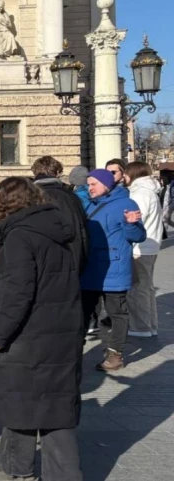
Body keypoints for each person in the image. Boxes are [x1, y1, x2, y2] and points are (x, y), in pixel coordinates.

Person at [0, 177, 83, 481]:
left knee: (20, 400)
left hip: (29, 334)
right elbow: (44, 277)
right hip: (62, 328)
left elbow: (19, 295)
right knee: (54, 404)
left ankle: (20, 468)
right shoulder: (55, 230)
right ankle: (42, 469)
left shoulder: (19, 237)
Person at [81, 169, 145, 372]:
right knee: (82, 312)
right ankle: (74, 352)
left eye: (94, 184)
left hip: (113, 268)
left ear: (107, 184)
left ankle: (115, 354)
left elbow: (138, 236)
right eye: (88, 184)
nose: (90, 188)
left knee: (116, 313)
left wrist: (131, 224)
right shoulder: (90, 204)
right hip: (90, 268)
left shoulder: (126, 204)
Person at [124, 162, 163, 338]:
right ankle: (150, 325)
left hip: (140, 247)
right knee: (146, 288)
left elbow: (136, 219)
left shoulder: (140, 193)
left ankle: (140, 327)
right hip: (150, 246)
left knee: (138, 289)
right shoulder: (150, 191)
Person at [32, 156, 89, 273]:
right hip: (65, 264)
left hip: (33, 263)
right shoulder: (69, 196)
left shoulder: (25, 195)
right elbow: (80, 231)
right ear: (57, 173)